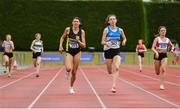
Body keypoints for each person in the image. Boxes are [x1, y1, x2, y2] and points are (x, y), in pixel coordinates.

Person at [59, 17, 86, 94]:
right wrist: (60, 46)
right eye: (74, 21)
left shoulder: (82, 32)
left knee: (74, 72)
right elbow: (62, 37)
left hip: (77, 52)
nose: (75, 23)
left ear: (79, 23)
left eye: (77, 21)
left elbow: (84, 45)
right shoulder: (68, 29)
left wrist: (78, 41)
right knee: (68, 68)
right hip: (69, 52)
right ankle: (67, 72)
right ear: (72, 23)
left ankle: (71, 87)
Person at [101, 14, 127, 93]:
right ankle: (107, 63)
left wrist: (124, 41)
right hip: (108, 51)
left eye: (114, 19)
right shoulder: (106, 30)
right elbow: (102, 41)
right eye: (111, 19)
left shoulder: (120, 30)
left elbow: (125, 38)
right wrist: (106, 43)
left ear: (116, 20)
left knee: (116, 67)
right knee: (109, 71)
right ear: (108, 21)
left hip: (116, 50)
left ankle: (114, 86)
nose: (112, 20)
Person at [151, 26, 174, 90]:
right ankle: (155, 64)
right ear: (159, 32)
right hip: (157, 56)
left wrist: (172, 49)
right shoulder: (157, 39)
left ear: (166, 31)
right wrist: (156, 52)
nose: (163, 32)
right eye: (162, 30)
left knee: (163, 69)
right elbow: (152, 48)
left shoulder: (167, 39)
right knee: (157, 72)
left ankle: (162, 84)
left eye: (164, 30)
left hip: (164, 55)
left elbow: (172, 46)